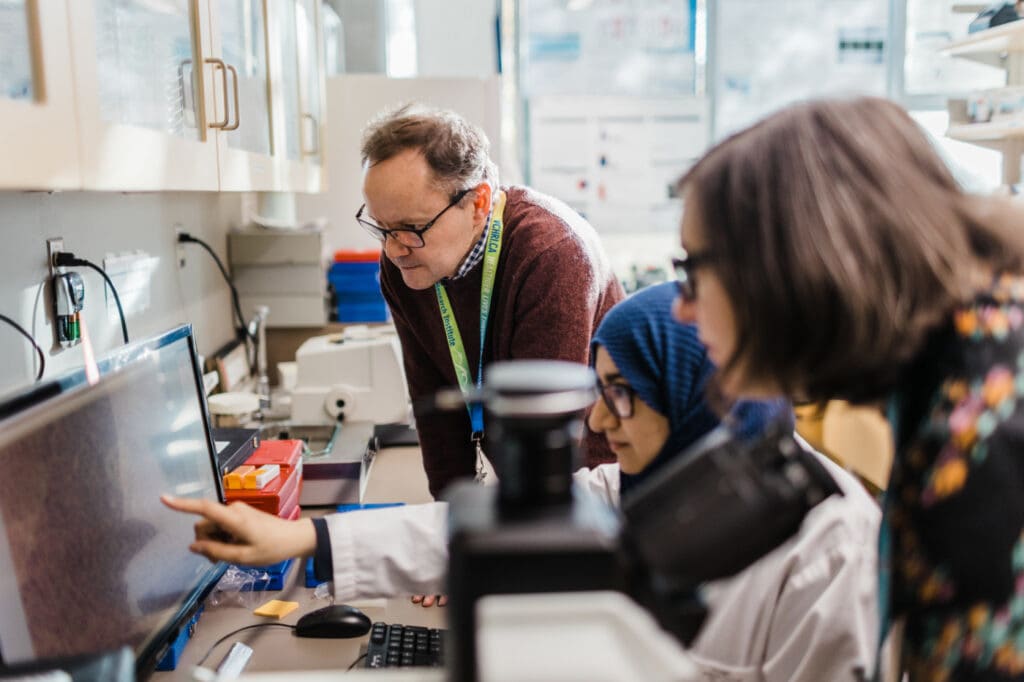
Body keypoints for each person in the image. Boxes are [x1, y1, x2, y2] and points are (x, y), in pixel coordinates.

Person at [163, 282, 880, 680]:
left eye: (622, 393)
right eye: (598, 390)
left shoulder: (830, 544)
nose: (601, 416)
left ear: (696, 387)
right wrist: (297, 536)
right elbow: (479, 526)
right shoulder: (648, 486)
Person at [671, 96, 1024, 680]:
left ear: (782, 265)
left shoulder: (974, 443)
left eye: (691, 272)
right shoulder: (964, 360)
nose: (680, 309)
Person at [357, 103, 624, 498]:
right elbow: (435, 406)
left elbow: (545, 426)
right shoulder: (408, 266)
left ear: (479, 202)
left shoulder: (551, 254)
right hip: (524, 471)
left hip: (597, 474)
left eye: (412, 228)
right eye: (382, 228)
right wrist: (451, 517)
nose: (395, 250)